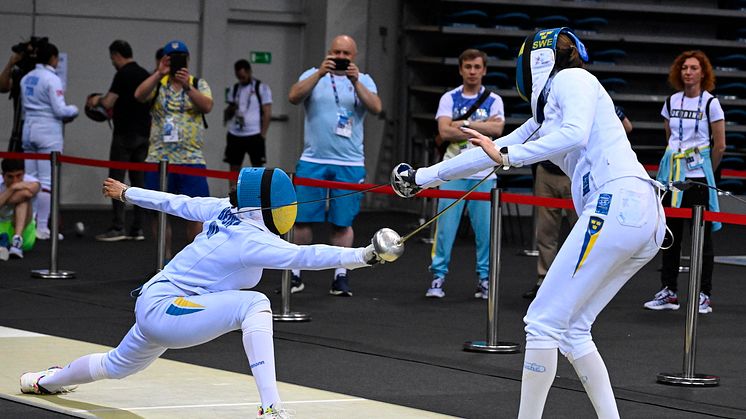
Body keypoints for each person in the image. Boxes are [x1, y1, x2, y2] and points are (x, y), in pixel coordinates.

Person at [392, 28, 666, 419]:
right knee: (573, 330)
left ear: (538, 62)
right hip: (639, 215)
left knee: (541, 322)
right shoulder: (549, 113)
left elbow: (567, 135)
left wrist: (509, 159)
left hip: (617, 203)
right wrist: (422, 177)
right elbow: (492, 151)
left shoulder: (573, 80)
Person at [19, 167, 393, 419]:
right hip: (168, 308)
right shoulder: (252, 239)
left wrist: (127, 192)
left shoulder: (223, 209)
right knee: (256, 303)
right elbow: (306, 255)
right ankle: (271, 407)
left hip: (161, 301)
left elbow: (173, 201)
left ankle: (41, 381)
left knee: (115, 366)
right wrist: (363, 255)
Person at [287, 34, 382, 296]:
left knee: (342, 222)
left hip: (349, 162)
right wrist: (319, 73)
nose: (340, 58)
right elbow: (293, 97)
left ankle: (341, 276)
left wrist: (355, 81)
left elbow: (376, 107)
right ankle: (294, 274)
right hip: (313, 159)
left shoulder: (364, 80)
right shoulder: (313, 74)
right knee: (302, 220)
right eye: (336, 52)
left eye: (345, 54)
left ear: (354, 56)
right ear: (329, 52)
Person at [643, 50, 726, 315]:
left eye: (693, 68)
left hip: (698, 179)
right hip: (673, 179)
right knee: (670, 236)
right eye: (684, 68)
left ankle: (704, 293)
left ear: (703, 73)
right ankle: (669, 291)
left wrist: (706, 171)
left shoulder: (711, 103)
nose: (688, 72)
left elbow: (719, 145)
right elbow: (669, 137)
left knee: (701, 239)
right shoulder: (671, 101)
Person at [523, 103, 631, 300]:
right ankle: (544, 279)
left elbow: (626, 126)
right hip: (546, 170)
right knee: (545, 230)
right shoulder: (547, 100)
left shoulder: (592, 99)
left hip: (576, 172)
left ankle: (582, 282)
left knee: (585, 230)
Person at [425, 48, 504, 299]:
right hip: (453, 171)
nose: (472, 71)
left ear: (484, 70)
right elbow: (444, 132)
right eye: (468, 67)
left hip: (484, 174)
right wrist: (480, 129)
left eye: (477, 67)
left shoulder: (494, 99)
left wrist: (464, 125)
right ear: (461, 69)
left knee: (485, 231)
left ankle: (484, 279)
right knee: (445, 228)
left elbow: (498, 128)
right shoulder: (449, 98)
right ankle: (437, 277)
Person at [134, 40, 213, 261]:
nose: (176, 62)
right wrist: (159, 73)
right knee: (158, 213)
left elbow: (207, 106)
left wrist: (188, 86)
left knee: (195, 213)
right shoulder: (158, 83)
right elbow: (139, 95)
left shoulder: (198, 83)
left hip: (191, 158)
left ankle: (195, 263)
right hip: (159, 158)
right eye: (171, 58)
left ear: (188, 60)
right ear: (163, 59)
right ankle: (164, 262)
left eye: (181, 58)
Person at [88, 40, 151, 242]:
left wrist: (96, 99)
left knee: (116, 179)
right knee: (138, 182)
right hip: (144, 134)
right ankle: (137, 229)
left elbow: (108, 102)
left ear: (116, 55)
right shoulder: (144, 74)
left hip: (124, 135)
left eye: (112, 58)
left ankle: (117, 227)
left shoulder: (122, 73)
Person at [20, 41, 78, 240]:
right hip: (48, 133)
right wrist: (75, 110)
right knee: (45, 182)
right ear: (53, 58)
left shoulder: (26, 77)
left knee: (29, 179)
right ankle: (42, 227)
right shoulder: (52, 79)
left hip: (28, 129)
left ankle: (28, 224)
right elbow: (60, 110)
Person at [224, 59, 272, 186]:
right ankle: (232, 195)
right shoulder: (234, 89)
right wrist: (231, 109)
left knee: (257, 166)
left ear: (249, 72)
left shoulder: (261, 88)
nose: (242, 79)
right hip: (235, 133)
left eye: (244, 76)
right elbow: (228, 112)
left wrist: (263, 134)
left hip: (254, 133)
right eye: (239, 77)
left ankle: (258, 194)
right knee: (234, 166)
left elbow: (267, 112)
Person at [0, 159, 40, 260]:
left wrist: (4, 198)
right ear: (3, 175)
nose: (15, 181)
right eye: (10, 177)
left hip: (24, 230)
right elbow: (19, 190)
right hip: (1, 225)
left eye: (19, 176)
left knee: (24, 199)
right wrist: (12, 188)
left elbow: (27, 194)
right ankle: (4, 245)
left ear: (24, 174)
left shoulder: (32, 181)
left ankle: (16, 243)